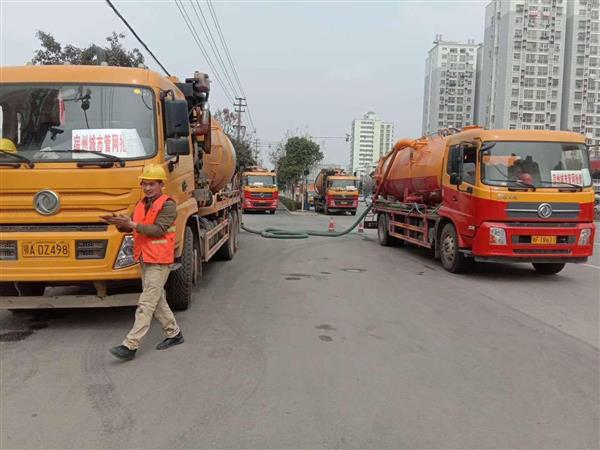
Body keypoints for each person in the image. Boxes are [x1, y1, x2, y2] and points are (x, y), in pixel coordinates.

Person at [104, 164, 184, 361]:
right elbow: (133, 227)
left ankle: (130, 345)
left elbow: (158, 230)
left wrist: (132, 224)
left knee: (146, 302)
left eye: (151, 184)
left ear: (160, 184)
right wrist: (120, 223)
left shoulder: (168, 205)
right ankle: (174, 334)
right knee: (157, 300)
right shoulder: (141, 204)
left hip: (159, 261)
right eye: (145, 184)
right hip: (145, 258)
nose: (147, 188)